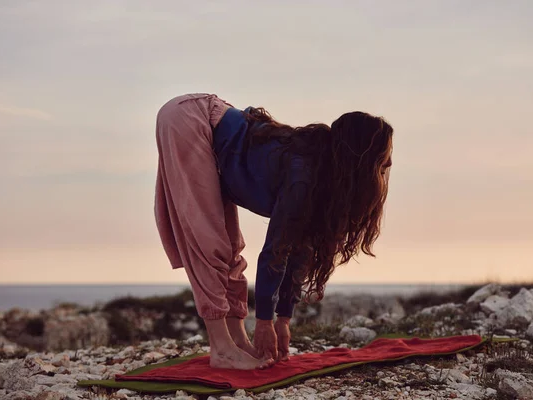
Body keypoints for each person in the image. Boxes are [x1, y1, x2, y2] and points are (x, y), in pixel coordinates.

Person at [154, 93, 393, 370]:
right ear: (358, 162)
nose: (387, 167)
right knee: (209, 242)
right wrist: (265, 321)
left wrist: (283, 319)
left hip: (210, 123)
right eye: (381, 161)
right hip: (190, 120)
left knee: (230, 247)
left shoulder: (324, 182)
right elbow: (276, 249)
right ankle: (221, 349)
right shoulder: (303, 173)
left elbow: (301, 247)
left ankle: (238, 342)